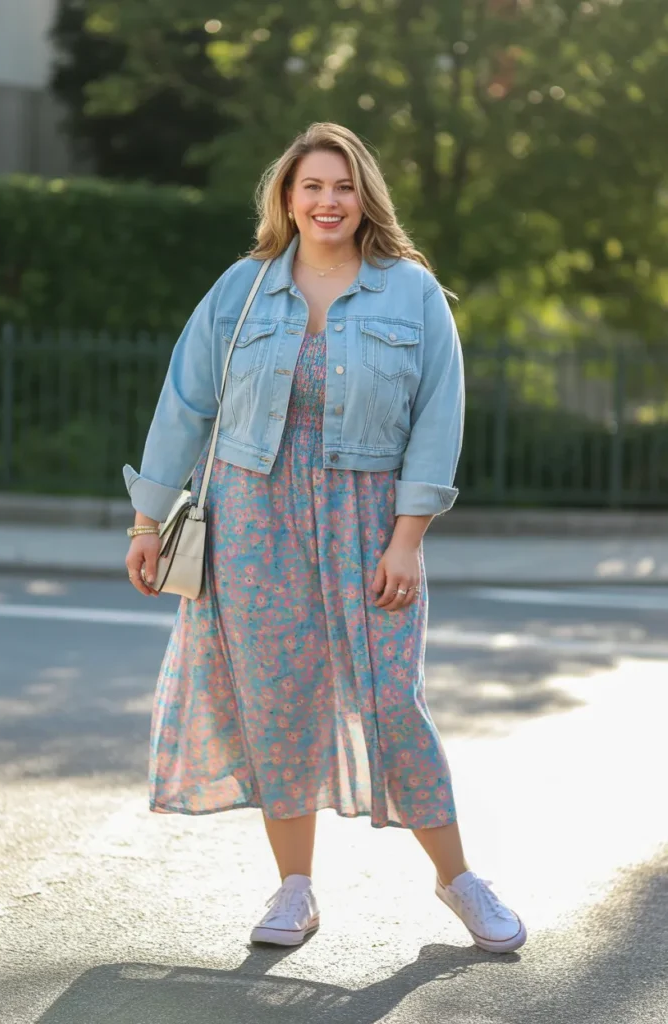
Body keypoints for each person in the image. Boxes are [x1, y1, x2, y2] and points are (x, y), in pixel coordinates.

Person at [123, 122, 526, 954]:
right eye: (311, 186)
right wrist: (146, 520)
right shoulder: (240, 289)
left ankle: (458, 881)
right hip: (249, 514)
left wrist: (407, 537)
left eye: (341, 186)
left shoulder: (410, 292)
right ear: (286, 197)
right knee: (278, 701)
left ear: (363, 196)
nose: (327, 201)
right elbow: (184, 404)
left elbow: (437, 417)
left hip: (366, 516)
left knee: (391, 699)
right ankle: (293, 890)